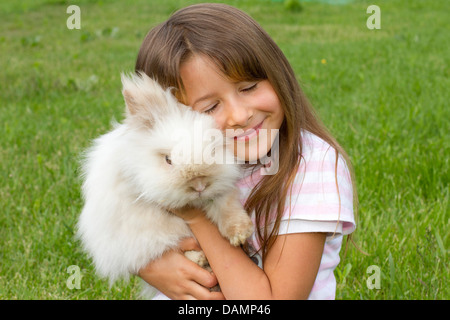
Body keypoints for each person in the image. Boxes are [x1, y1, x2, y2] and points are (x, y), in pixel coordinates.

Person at [135, 3, 356, 300]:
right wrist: (147, 264)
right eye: (210, 107)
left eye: (249, 87)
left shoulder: (309, 166)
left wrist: (196, 216)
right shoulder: (169, 166)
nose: (239, 115)